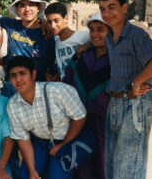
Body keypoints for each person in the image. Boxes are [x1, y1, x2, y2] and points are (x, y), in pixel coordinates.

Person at [96, 0, 152, 179]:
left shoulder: (135, 34)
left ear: (124, 7)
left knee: (128, 171)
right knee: (112, 169)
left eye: (111, 7)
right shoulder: (110, 37)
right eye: (102, 9)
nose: (107, 13)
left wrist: (136, 83)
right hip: (115, 104)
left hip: (133, 106)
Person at [6, 56, 87, 179]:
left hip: (67, 138)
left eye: (22, 74)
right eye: (13, 75)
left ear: (33, 74)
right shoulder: (13, 105)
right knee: (26, 175)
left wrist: (64, 144)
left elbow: (80, 117)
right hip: (39, 141)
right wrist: (32, 171)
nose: (18, 79)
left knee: (57, 176)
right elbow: (23, 140)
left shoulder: (58, 91)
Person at [62, 12, 110, 179]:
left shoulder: (117, 58)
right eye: (92, 30)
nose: (95, 34)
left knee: (103, 167)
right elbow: (67, 81)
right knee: (81, 166)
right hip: (80, 123)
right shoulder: (82, 55)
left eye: (101, 30)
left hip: (105, 124)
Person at [45, 2, 90, 80]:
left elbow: (108, 37)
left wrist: (89, 43)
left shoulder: (85, 35)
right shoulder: (55, 42)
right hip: (65, 87)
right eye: (49, 22)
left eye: (56, 21)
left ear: (66, 18)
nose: (52, 26)